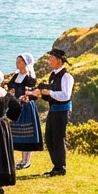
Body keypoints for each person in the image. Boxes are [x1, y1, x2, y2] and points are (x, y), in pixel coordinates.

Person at [30, 48, 74, 176]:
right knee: (49, 138)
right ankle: (57, 165)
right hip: (53, 109)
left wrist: (49, 92)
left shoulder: (67, 76)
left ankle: (61, 167)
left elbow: (65, 95)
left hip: (62, 110)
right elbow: (52, 94)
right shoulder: (53, 75)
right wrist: (41, 94)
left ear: (59, 61)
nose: (49, 61)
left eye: (52, 59)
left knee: (58, 138)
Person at [8, 53, 42, 169]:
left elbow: (34, 94)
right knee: (19, 133)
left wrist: (25, 97)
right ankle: (23, 159)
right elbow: (10, 89)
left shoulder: (30, 79)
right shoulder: (15, 76)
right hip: (16, 106)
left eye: (20, 61)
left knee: (27, 133)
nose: (17, 64)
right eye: (17, 61)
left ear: (26, 63)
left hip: (26, 107)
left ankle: (27, 160)